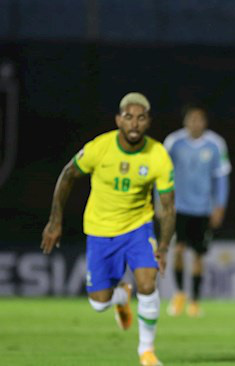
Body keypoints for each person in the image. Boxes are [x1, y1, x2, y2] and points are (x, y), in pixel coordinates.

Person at [40, 93, 175, 366]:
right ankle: (120, 296)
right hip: (100, 231)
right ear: (118, 120)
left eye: (140, 118)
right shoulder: (99, 148)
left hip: (139, 227)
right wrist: (55, 220)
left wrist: (162, 247)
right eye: (128, 117)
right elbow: (67, 175)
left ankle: (146, 351)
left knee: (148, 284)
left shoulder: (158, 155)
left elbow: (169, 207)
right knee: (99, 303)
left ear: (148, 122)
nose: (134, 123)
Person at [163, 105, 231, 317]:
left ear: (205, 122)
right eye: (191, 119)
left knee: (199, 256)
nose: (195, 123)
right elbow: (162, 174)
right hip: (178, 207)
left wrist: (220, 206)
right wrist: (161, 204)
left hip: (203, 208)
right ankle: (179, 294)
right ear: (185, 122)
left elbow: (222, 178)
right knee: (178, 250)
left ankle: (194, 300)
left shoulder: (216, 144)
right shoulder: (174, 143)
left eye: (199, 119)